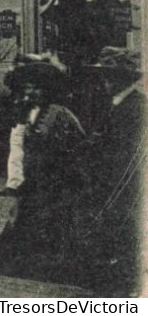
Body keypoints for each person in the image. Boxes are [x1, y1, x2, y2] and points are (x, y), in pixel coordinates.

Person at [0, 59, 90, 287]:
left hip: (57, 179)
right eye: (28, 87)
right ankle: (23, 265)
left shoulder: (61, 114)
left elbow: (77, 147)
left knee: (53, 223)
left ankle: (49, 268)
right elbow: (21, 147)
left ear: (49, 89)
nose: (32, 92)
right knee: (26, 219)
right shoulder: (29, 112)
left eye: (37, 87)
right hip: (36, 178)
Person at [74, 50, 144, 296]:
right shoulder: (116, 104)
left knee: (121, 236)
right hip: (110, 184)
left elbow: (125, 152)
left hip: (122, 185)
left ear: (120, 78)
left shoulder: (135, 107)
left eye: (108, 76)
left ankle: (119, 292)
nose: (104, 81)